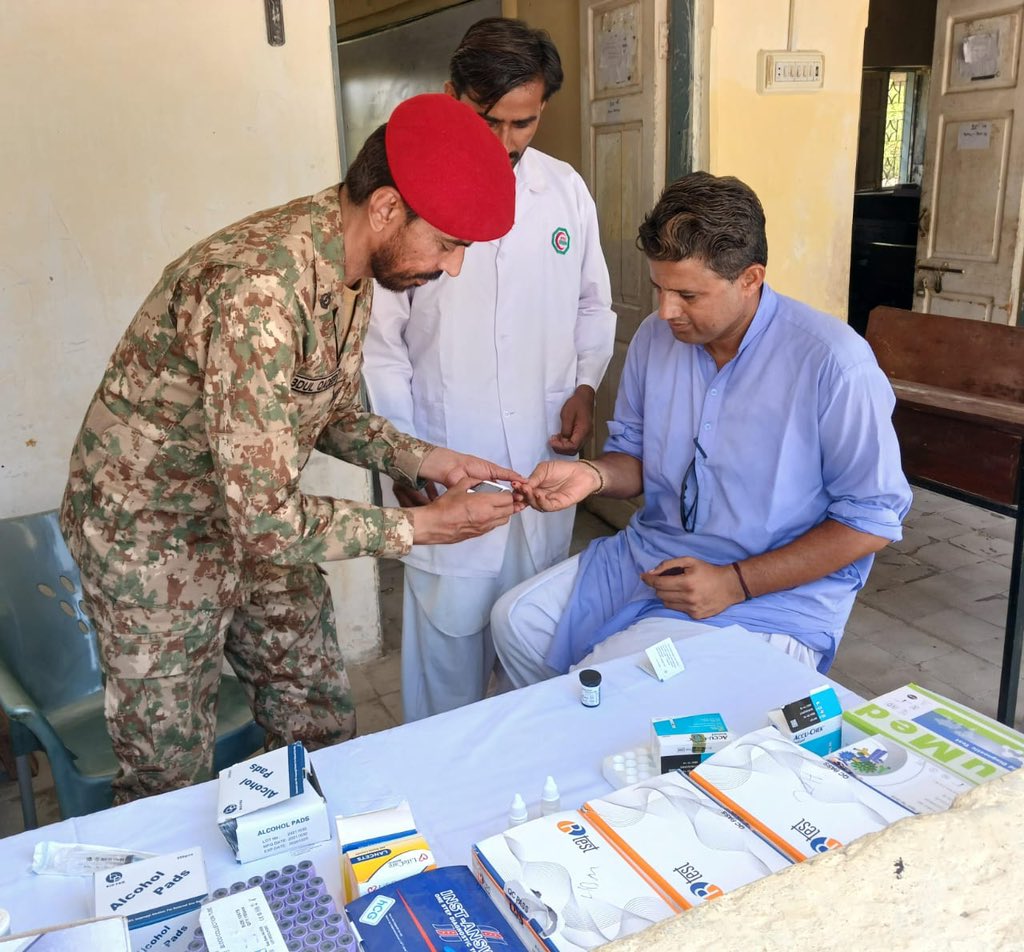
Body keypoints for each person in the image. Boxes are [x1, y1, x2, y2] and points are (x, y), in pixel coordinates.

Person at [60, 93, 522, 802]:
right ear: (388, 208)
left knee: (318, 719)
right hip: (153, 536)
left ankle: (309, 877)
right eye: (449, 244)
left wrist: (423, 460)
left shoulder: (351, 268)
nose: (452, 267)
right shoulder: (260, 292)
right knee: (168, 771)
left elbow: (324, 407)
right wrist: (420, 528)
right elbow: (269, 520)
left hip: (248, 513)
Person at [492, 171, 913, 686]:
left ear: (750, 279)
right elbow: (636, 457)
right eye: (660, 290)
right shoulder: (654, 339)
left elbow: (871, 519)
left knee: (611, 676)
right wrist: (594, 478)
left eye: (688, 295)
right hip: (651, 556)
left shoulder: (833, 363)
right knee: (515, 622)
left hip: (770, 592)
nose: (666, 312)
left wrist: (735, 583)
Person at [362, 18, 615, 721]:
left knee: (535, 650)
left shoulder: (564, 194)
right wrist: (409, 461)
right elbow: (381, 350)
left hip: (540, 462)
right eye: (489, 120)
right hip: (449, 463)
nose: (506, 142)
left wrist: (586, 383)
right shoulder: (405, 203)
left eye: (524, 123)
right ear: (451, 97)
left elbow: (594, 304)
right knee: (446, 663)